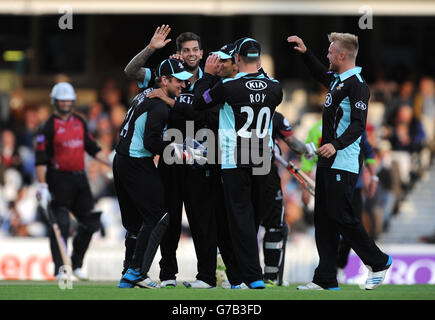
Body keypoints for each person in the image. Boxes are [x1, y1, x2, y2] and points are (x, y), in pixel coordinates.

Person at [287, 33, 391, 290]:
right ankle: (325, 278)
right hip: (327, 161)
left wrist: (335, 144)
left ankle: (378, 261)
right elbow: (322, 73)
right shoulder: (338, 81)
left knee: (340, 215)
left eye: (330, 52)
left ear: (342, 55)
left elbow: (359, 126)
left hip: (342, 161)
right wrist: (305, 53)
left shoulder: (357, 85)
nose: (328, 55)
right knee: (323, 219)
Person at [124, 25, 220, 289]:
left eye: (195, 50)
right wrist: (151, 48)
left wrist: (172, 103)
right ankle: (168, 275)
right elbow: (131, 72)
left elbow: (205, 115)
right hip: (170, 154)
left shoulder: (212, 79)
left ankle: (207, 277)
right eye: (185, 50)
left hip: (200, 157)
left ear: (202, 53)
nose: (190, 54)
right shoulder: (166, 74)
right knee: (170, 219)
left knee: (202, 220)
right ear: (179, 53)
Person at [193, 38, 283, 289]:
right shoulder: (276, 87)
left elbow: (199, 102)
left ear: (238, 59)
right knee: (252, 218)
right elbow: (263, 85)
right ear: (259, 59)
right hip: (262, 158)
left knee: (240, 218)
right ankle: (248, 275)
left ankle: (252, 277)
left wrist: (208, 75)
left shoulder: (229, 86)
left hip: (235, 158)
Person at [115, 58, 192, 288]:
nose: (183, 85)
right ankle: (137, 272)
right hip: (136, 161)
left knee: (137, 223)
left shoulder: (147, 93)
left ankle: (128, 274)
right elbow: (150, 142)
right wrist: (179, 152)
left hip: (122, 160)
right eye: (179, 81)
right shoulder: (158, 106)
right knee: (158, 217)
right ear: (165, 80)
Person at [35, 82, 111, 281]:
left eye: (69, 100)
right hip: (58, 180)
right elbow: (40, 160)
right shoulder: (48, 127)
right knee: (61, 225)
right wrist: (42, 185)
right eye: (62, 100)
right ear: (55, 102)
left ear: (73, 101)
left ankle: (76, 264)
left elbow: (92, 147)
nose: (66, 104)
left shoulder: (79, 121)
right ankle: (61, 268)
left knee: (91, 221)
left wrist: (112, 162)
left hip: (80, 179)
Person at [300, 121, 379, 283]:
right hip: (331, 183)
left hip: (353, 184)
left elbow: (367, 149)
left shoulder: (353, 127)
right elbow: (308, 157)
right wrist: (305, 185)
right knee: (331, 225)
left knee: (349, 225)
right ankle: (329, 270)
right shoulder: (317, 129)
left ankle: (340, 266)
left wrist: (373, 176)